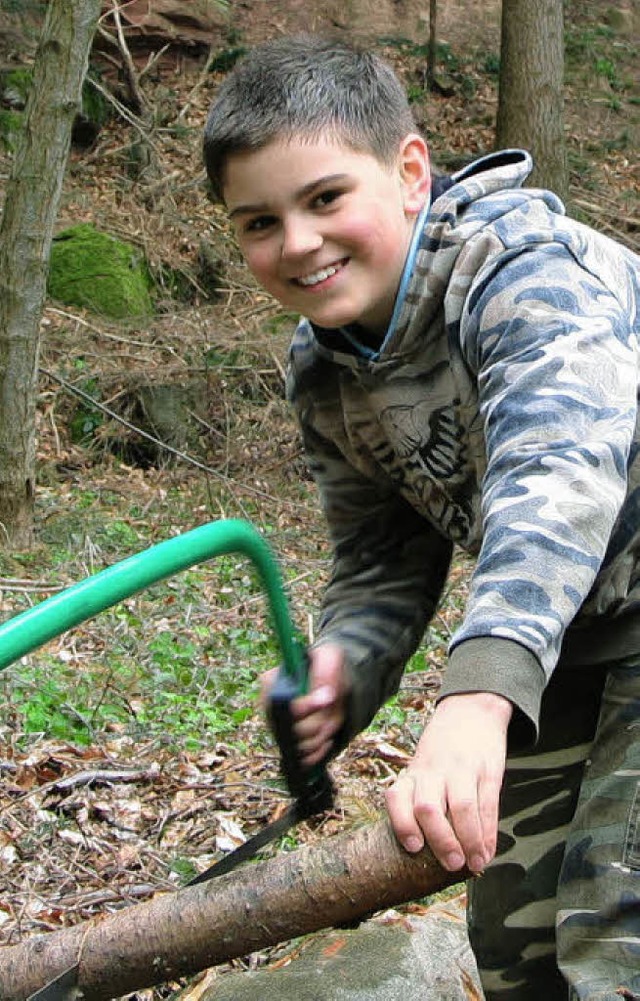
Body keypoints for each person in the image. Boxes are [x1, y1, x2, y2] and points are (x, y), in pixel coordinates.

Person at [202, 34, 640, 1001]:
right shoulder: (325, 371)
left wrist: (478, 695)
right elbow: (381, 558)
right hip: (575, 635)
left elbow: (559, 469)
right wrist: (342, 672)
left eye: (324, 199)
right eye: (259, 223)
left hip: (581, 606)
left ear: (410, 172)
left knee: (617, 938)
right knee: (516, 939)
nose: (298, 243)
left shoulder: (526, 269)